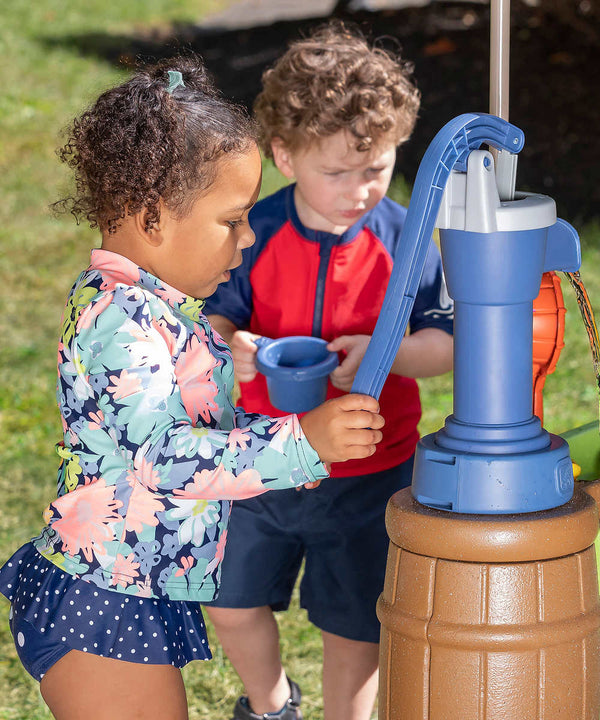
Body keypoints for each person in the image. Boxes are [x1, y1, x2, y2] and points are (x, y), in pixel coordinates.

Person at [0, 55, 385, 720]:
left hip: (132, 587)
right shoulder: (119, 321)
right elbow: (168, 458)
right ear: (151, 217)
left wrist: (290, 444)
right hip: (106, 596)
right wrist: (299, 444)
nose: (248, 236)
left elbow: (199, 434)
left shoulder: (158, 307)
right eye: (232, 219)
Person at [203, 22, 453, 720]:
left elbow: (447, 343)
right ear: (284, 154)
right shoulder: (253, 231)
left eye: (376, 169)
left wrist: (386, 354)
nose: (359, 190)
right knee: (230, 602)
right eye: (336, 172)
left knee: (356, 624)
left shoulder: (405, 239)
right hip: (259, 461)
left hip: (369, 473)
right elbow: (215, 319)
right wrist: (235, 349)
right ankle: (272, 702)